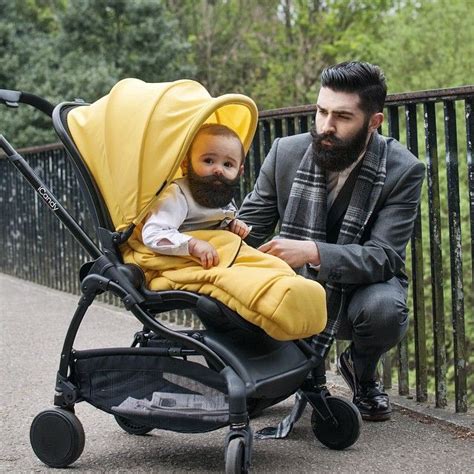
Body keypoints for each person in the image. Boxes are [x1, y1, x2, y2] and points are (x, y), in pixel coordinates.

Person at [237, 61, 425, 421]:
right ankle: (283, 372)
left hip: (363, 288)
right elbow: (251, 227)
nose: (325, 126)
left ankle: (361, 371)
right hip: (293, 285)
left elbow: (384, 258)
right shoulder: (285, 152)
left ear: (374, 122)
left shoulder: (404, 170)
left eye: (342, 116)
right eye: (321, 111)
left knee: (385, 310)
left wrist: (311, 251)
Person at [142, 123, 251, 268]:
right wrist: (192, 245)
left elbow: (220, 217)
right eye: (208, 161)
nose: (218, 169)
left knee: (271, 268)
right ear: (185, 164)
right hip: (185, 262)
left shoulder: (221, 191)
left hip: (219, 257)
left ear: (240, 171)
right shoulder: (178, 194)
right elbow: (154, 234)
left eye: (228, 164)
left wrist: (233, 224)